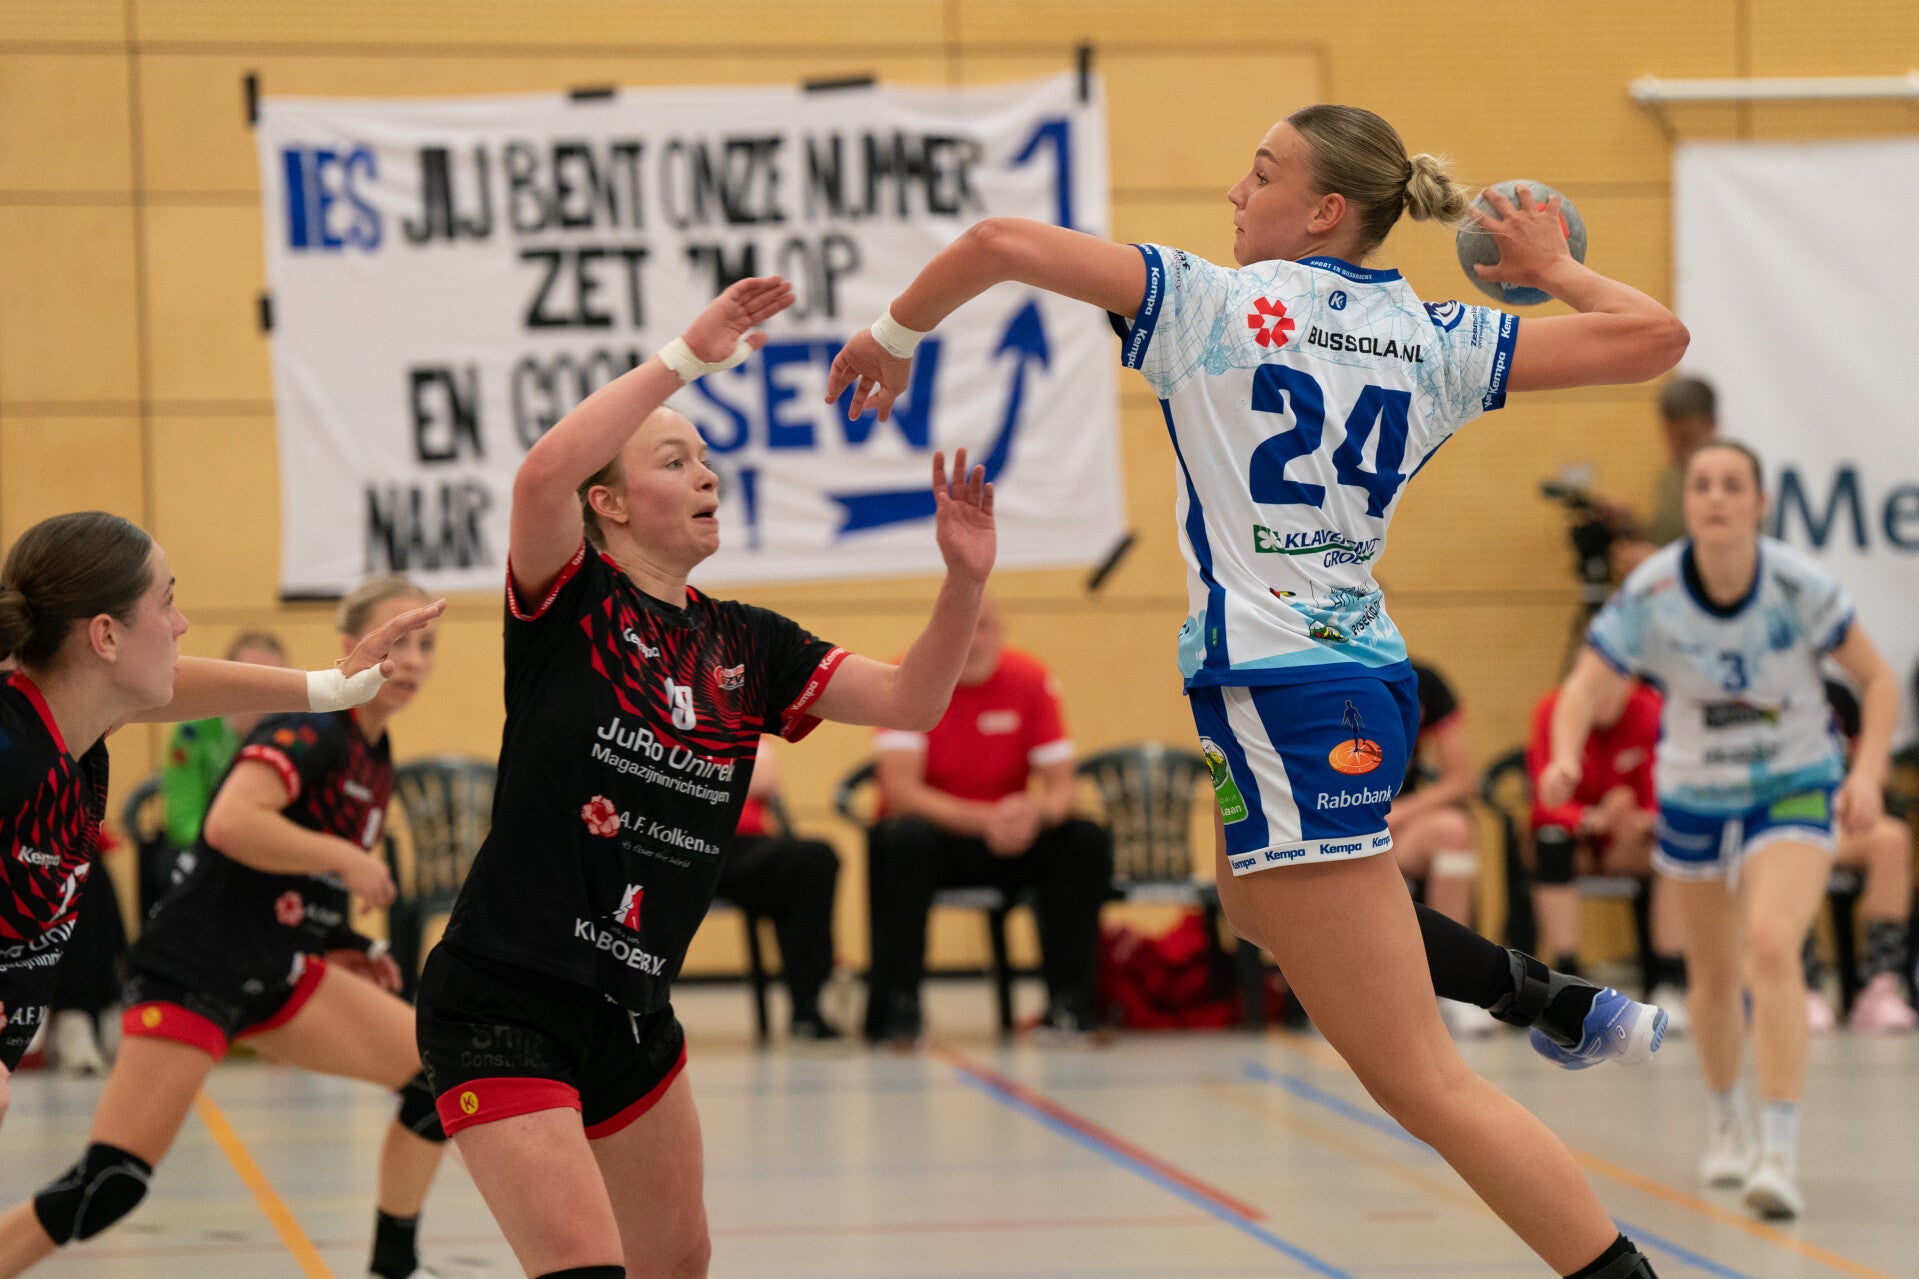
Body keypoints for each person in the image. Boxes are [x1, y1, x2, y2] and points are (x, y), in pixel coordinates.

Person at [828, 103, 1688, 1279]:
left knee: (1421, 1084)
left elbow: (998, 241)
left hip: (1286, 693)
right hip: (1352, 677)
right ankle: (1549, 999)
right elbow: (1653, 338)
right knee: (1250, 903)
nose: (1235, 192)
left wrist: (892, 332)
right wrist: (1552, 271)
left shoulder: (1210, 303)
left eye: (1261, 172)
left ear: (1324, 209)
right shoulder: (1435, 332)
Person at [412, 276, 998, 1279]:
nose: (705, 475)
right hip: (504, 998)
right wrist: (685, 357)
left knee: (678, 1264)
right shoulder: (572, 601)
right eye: (673, 459)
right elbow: (541, 476)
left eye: (707, 459)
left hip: (634, 1008)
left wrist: (964, 581)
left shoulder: (750, 643)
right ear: (607, 503)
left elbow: (910, 700)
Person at [0, 574, 449, 1279]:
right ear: (351, 644)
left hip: (275, 966)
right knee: (110, 1183)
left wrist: (345, 941)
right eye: (400, 641)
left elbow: (296, 881)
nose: (414, 659)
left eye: (426, 644)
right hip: (197, 967)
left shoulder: (374, 752)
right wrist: (344, 857)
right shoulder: (311, 729)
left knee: (437, 1080)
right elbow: (231, 824)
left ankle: (394, 1267)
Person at [1545, 440, 1897, 1219]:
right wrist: (1565, 755)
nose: (1713, 497)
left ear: (1758, 504)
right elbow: (1581, 689)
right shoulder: (1653, 590)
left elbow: (1876, 681)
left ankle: (1778, 1150)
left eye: (1731, 485)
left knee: (1769, 943)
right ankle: (1725, 1120)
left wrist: (1867, 772)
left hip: (1792, 782)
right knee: (1709, 973)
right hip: (1695, 790)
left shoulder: (1797, 586)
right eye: (1701, 484)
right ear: (1689, 504)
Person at [864, 596, 1112, 1044]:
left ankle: (1070, 1006)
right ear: (938, 634)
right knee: (902, 839)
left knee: (1084, 839)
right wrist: (989, 819)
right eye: (961, 627)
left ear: (1000, 632)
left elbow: (1063, 789)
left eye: (982, 627)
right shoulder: (909, 676)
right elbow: (900, 793)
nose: (972, 641)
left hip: (1014, 840)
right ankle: (898, 1010)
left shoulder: (1030, 678)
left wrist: (1034, 815)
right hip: (938, 843)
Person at [1525, 679, 1690, 1028]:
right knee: (1551, 843)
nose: (1601, 698)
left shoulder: (1652, 709)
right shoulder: (1552, 709)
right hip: (1580, 838)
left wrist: (1640, 818)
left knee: (1675, 846)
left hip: (1630, 840)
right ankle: (1565, 979)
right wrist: (1591, 819)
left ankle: (1671, 979)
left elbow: (1669, 794)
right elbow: (1545, 801)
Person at [1804, 679, 1915, 1034]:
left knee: (1892, 839)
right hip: (1780, 820)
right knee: (1791, 848)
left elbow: (1874, 761)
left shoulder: (1837, 695)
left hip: (1836, 816)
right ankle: (1801, 984)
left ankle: (1880, 986)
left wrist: (1865, 780)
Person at [716, 736, 845, 1040]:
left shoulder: (735, 717)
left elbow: (765, 777)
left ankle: (807, 1008)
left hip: (744, 847)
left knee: (813, 859)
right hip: (675, 844)